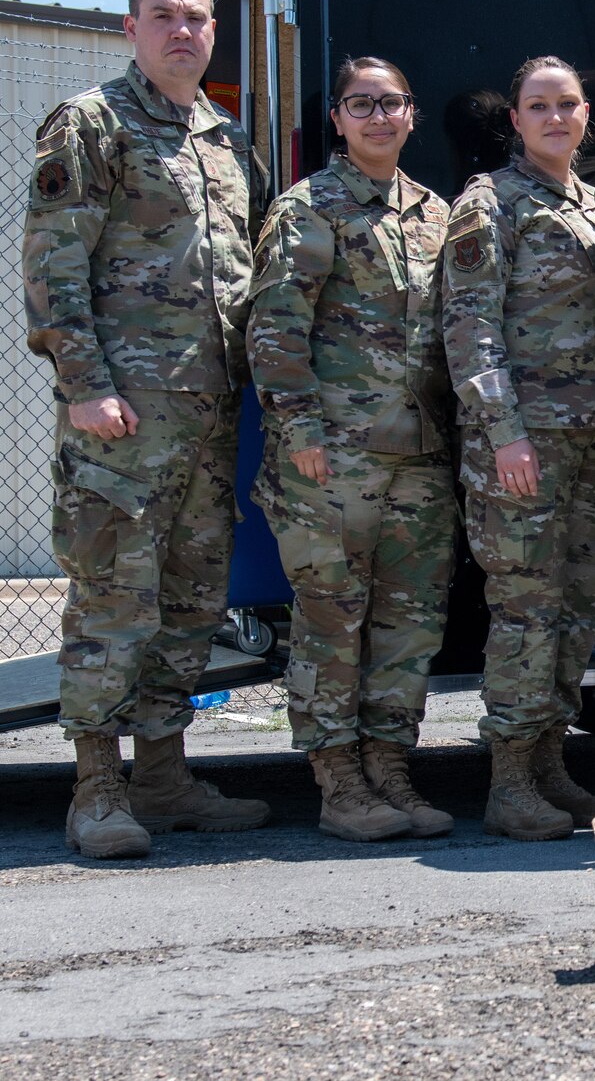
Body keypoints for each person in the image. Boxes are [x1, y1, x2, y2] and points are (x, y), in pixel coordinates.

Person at [23, 0, 270, 860]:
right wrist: (86, 385)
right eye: (162, 15)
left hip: (207, 416)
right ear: (130, 27)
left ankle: (162, 777)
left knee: (191, 600)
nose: (182, 30)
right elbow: (55, 264)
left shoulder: (225, 139)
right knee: (113, 596)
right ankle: (95, 788)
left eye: (196, 17)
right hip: (121, 414)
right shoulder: (91, 123)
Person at [248, 56, 456, 843]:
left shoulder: (435, 215)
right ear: (336, 118)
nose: (377, 116)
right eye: (360, 104)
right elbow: (274, 331)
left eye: (391, 103)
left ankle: (391, 769)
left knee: (409, 624)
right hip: (331, 462)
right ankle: (339, 782)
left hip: (419, 460)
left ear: (412, 115)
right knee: (333, 621)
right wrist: (299, 431)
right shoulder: (309, 210)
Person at [442, 57, 595, 841]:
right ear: (515, 120)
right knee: (523, 610)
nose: (555, 117)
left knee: (575, 609)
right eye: (538, 105)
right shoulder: (492, 204)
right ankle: (510, 780)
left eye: (568, 104)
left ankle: (551, 764)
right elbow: (469, 326)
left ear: (586, 116)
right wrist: (504, 430)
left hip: (594, 447)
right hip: (522, 448)